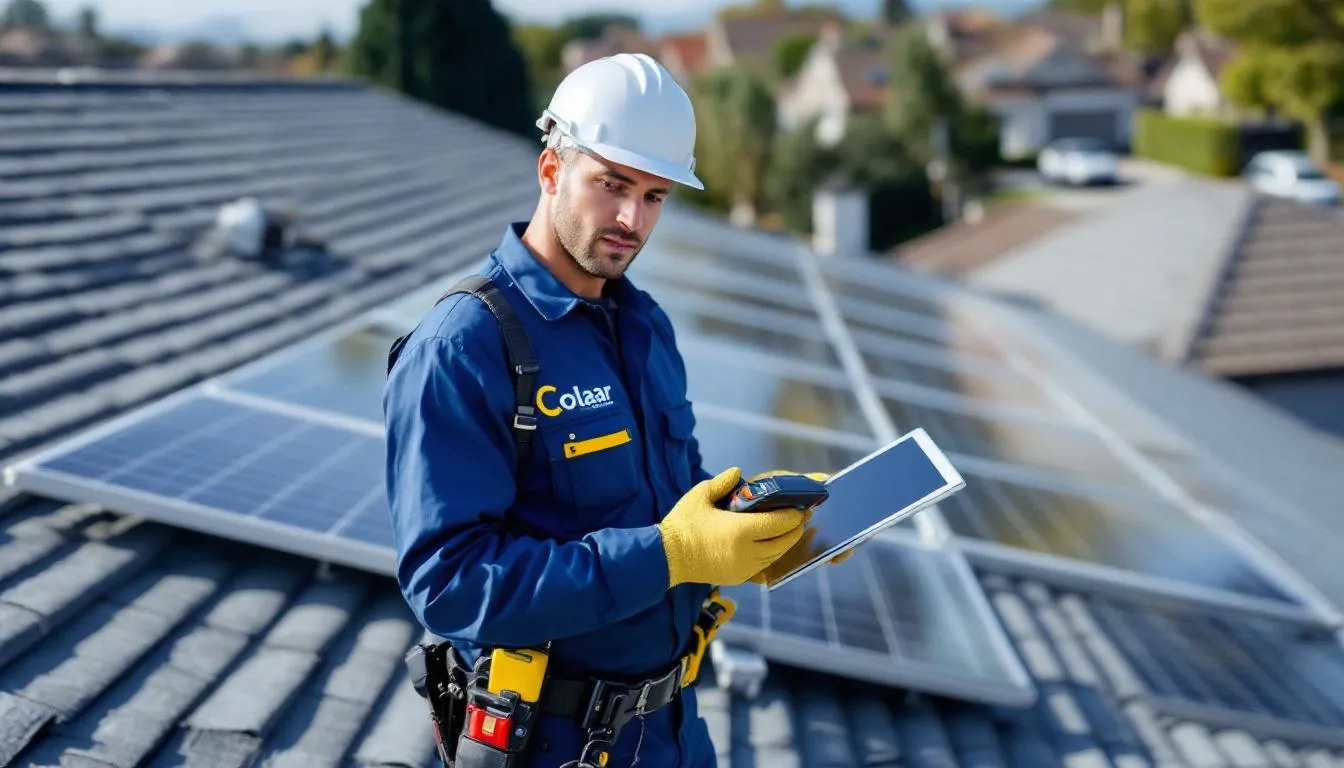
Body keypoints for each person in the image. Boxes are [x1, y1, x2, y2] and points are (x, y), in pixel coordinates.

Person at [383, 53, 843, 768]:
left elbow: (676, 500)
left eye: (655, 195)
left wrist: (739, 533)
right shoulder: (465, 346)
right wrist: (669, 555)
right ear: (550, 171)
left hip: (676, 732)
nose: (633, 218)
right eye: (612, 184)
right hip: (558, 745)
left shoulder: (644, 325)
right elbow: (449, 583)